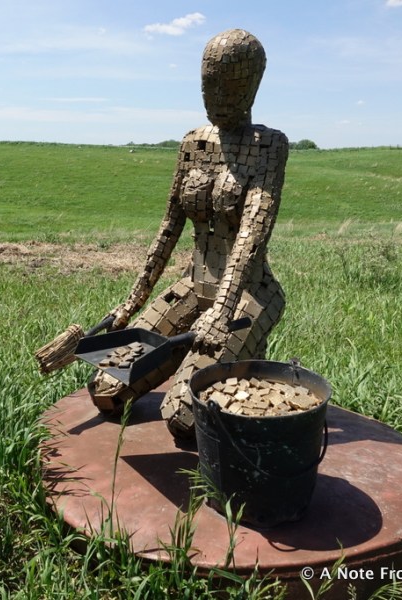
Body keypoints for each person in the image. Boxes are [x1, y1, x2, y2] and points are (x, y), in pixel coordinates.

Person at [88, 29, 288, 440]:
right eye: (209, 84)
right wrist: (130, 304)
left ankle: (240, 372)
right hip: (194, 286)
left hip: (248, 295)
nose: (217, 97)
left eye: (230, 86)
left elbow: (252, 235)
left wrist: (222, 310)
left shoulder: (268, 147)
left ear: (253, 86)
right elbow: (168, 227)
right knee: (106, 388)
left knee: (182, 414)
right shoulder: (194, 144)